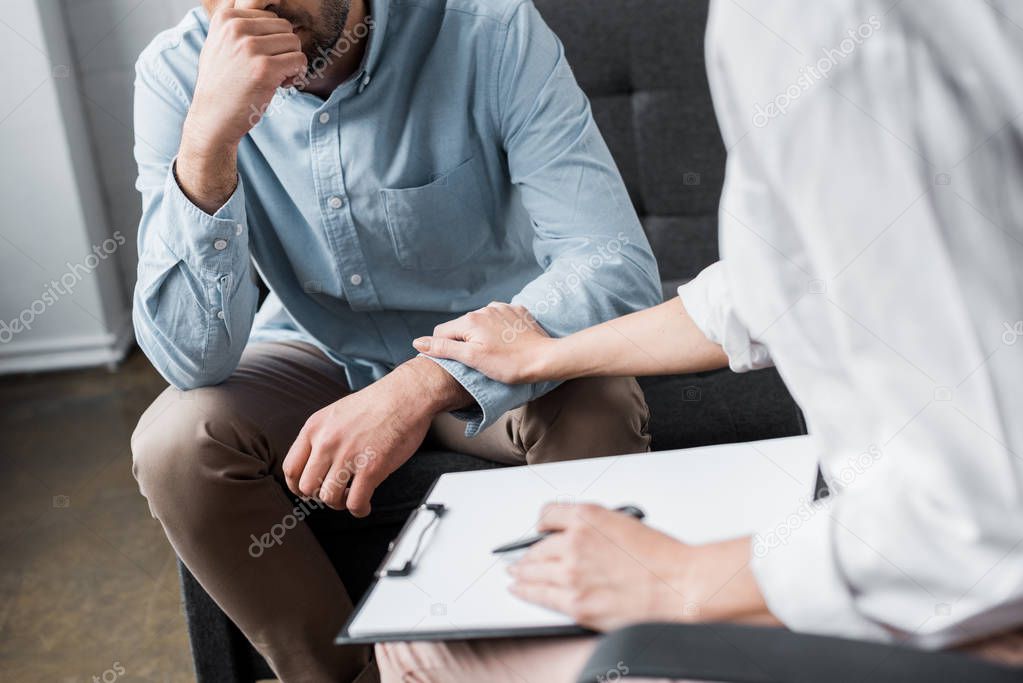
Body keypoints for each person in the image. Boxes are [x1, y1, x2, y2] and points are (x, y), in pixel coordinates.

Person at [376, 0, 1023, 679]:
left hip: (968, 605)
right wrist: (548, 353)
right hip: (936, 558)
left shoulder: (813, 24)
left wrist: (680, 578)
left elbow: (980, 517)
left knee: (426, 641)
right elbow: (780, 282)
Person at [127, 0, 662, 679]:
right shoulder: (177, 72)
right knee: (175, 441)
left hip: (501, 339)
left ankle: (584, 667)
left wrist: (423, 382)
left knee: (596, 399)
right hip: (318, 345)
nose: (246, 7)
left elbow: (611, 261)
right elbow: (188, 359)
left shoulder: (488, 29)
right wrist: (207, 144)